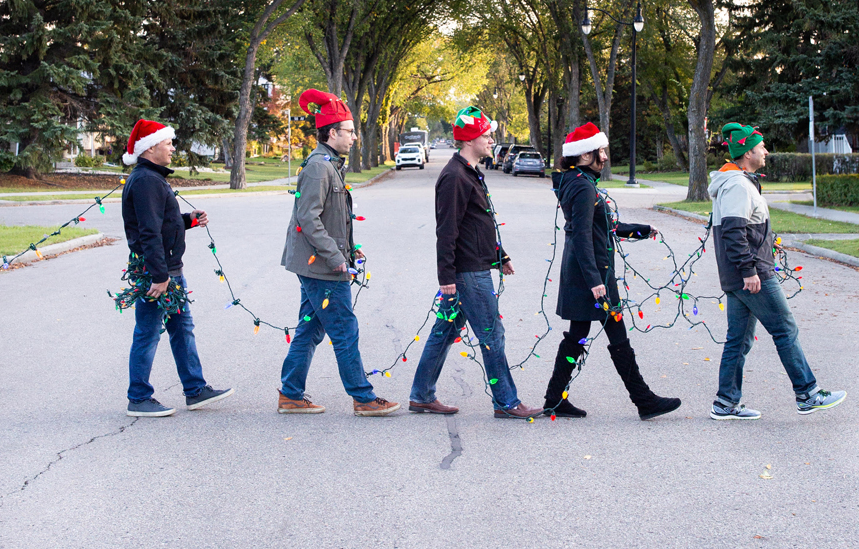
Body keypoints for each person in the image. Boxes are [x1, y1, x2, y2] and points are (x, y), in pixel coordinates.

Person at [409, 106, 542, 420]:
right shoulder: (454, 176)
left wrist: (500, 255)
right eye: (486, 135)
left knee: (444, 332)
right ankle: (506, 402)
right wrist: (446, 276)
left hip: (475, 266)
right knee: (492, 334)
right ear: (470, 140)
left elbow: (476, 225)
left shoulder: (468, 172)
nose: (491, 140)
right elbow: (447, 230)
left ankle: (421, 395)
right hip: (467, 273)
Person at [708, 122, 846, 420]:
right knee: (785, 328)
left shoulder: (740, 181)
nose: (766, 151)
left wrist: (766, 245)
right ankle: (807, 393)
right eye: (761, 148)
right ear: (747, 153)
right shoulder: (736, 185)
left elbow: (744, 230)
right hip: (751, 276)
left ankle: (725, 402)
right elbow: (733, 232)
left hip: (743, 273)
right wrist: (749, 271)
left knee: (739, 339)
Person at [543, 122, 681, 420]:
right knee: (612, 333)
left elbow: (606, 227)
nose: (604, 157)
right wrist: (594, 281)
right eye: (599, 151)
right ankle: (643, 400)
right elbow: (580, 235)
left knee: (579, 335)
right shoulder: (580, 185)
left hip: (587, 272)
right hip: (590, 275)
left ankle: (555, 398)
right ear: (583, 156)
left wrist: (642, 230)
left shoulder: (579, 181)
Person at [278, 89, 399, 417]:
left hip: (320, 261)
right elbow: (307, 218)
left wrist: (350, 249)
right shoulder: (319, 167)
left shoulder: (330, 165)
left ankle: (290, 393)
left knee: (311, 327)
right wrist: (336, 259)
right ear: (331, 133)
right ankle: (362, 396)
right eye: (348, 131)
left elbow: (330, 218)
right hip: (321, 266)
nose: (354, 137)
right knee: (344, 327)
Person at [121, 119, 233, 417]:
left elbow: (164, 223)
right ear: (151, 147)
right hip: (157, 272)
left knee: (182, 329)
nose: (173, 148)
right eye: (168, 143)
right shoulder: (145, 181)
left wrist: (190, 220)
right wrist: (159, 277)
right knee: (148, 332)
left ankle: (195, 389)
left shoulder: (154, 178)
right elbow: (148, 232)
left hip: (170, 269)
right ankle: (139, 397)